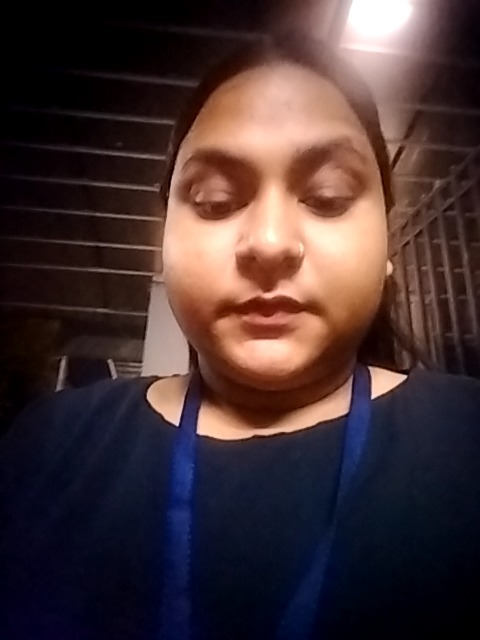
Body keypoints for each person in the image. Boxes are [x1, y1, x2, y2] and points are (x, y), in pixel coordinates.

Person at [1, 31, 480, 640]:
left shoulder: (467, 437)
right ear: (163, 238)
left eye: (327, 197)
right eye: (215, 201)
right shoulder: (49, 445)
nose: (269, 243)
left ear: (387, 241)